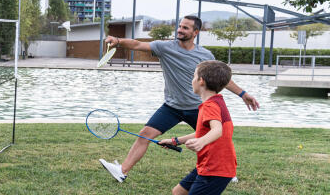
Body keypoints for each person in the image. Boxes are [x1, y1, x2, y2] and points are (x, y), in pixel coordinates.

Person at [98, 15, 259, 183]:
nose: (180, 30)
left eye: (185, 28)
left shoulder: (205, 54)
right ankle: (122, 171)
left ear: (196, 32)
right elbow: (137, 44)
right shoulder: (165, 47)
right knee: (145, 134)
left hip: (197, 107)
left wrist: (243, 94)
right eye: (180, 26)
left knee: (217, 139)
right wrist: (118, 40)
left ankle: (227, 172)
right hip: (171, 107)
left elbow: (222, 78)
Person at [153, 60, 236, 195]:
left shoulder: (210, 106)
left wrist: (201, 143)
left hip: (215, 169)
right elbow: (204, 130)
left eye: (193, 76)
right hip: (209, 166)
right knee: (179, 193)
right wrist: (176, 140)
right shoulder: (216, 101)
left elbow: (216, 130)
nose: (192, 80)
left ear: (200, 81)